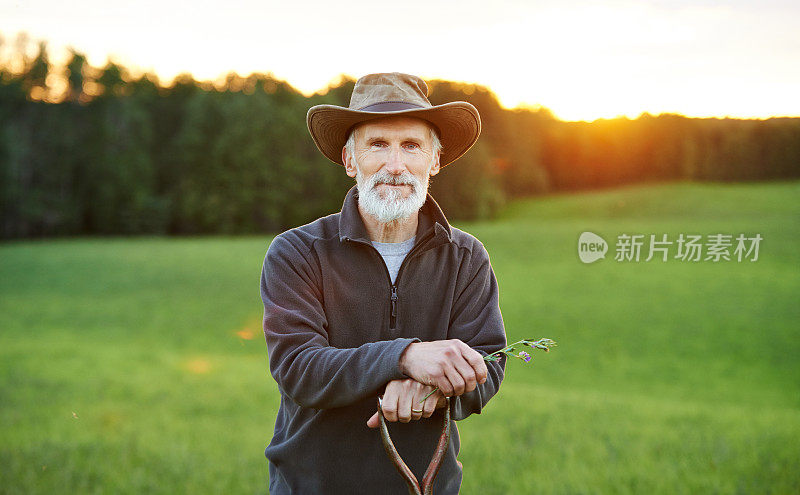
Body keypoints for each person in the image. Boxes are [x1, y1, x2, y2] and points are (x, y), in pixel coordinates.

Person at [260, 72, 507, 494]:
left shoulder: (466, 258)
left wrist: (433, 391)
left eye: (411, 145)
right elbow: (298, 368)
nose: (395, 165)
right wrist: (405, 357)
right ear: (349, 160)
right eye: (378, 144)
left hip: (425, 488)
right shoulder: (297, 252)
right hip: (312, 487)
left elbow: (490, 363)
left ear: (434, 161)